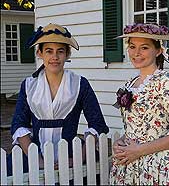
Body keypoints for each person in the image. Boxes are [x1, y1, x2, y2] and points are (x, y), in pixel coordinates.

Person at [7, 23, 109, 176]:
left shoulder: (80, 84)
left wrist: (78, 158)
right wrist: (37, 160)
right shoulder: (29, 85)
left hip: (70, 153)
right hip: (34, 153)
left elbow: (97, 123)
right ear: (39, 53)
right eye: (49, 51)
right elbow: (18, 124)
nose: (54, 57)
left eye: (60, 51)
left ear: (67, 54)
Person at [109, 23, 169, 185]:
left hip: (160, 166)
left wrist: (139, 150)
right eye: (132, 46)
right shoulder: (130, 84)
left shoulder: (167, 82)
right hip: (130, 167)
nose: (136, 53)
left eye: (144, 47)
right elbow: (136, 126)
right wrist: (121, 141)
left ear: (158, 51)